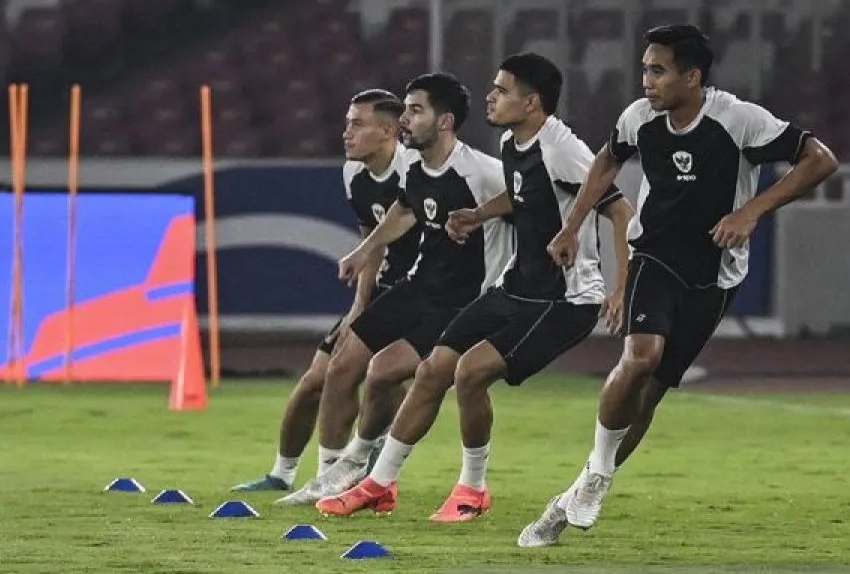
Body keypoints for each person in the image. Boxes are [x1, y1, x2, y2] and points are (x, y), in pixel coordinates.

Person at [522, 24, 838, 546]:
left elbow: (820, 159)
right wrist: (572, 225)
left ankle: (571, 496)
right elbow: (606, 160)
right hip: (655, 257)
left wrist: (752, 211)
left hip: (715, 274)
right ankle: (598, 475)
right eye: (645, 68)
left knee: (648, 397)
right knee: (639, 357)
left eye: (658, 70)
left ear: (692, 77)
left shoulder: (736, 119)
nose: (646, 80)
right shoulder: (640, 118)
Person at [315, 52, 635, 520]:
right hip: (514, 288)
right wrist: (481, 213)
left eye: (502, 90)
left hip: (562, 300)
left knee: (469, 373)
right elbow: (525, 196)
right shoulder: (512, 143)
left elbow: (620, 211)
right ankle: (378, 485)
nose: (491, 96)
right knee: (432, 370)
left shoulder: (563, 150)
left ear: (532, 102)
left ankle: (472, 489)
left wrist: (621, 286)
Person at [276, 72, 514, 506]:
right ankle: (332, 474)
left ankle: (361, 464)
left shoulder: (482, 171)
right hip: (416, 284)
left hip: (459, 300)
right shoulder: (417, 169)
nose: (406, 119)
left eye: (415, 110)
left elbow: (527, 198)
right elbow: (403, 212)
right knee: (342, 363)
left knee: (384, 373)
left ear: (444, 122)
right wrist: (363, 252)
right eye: (404, 109)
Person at [232, 89, 421, 491]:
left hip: (424, 290)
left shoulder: (415, 171)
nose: (346, 133)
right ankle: (282, 474)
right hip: (386, 286)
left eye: (357, 124)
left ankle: (336, 475)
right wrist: (360, 304)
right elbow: (373, 238)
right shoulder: (354, 172)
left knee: (372, 374)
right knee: (314, 382)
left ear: (388, 130)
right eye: (347, 123)